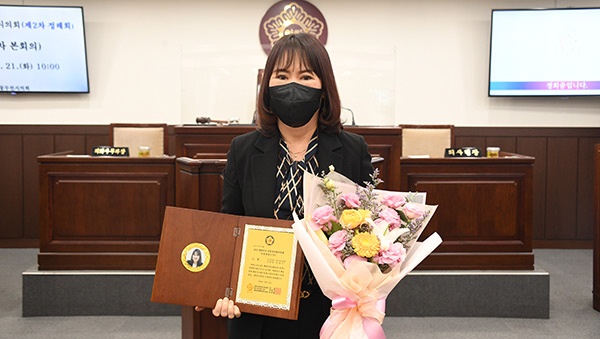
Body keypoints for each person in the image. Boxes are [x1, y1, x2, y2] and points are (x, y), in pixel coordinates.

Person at [199, 32, 374, 339]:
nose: (293, 86)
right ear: (267, 87)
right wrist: (222, 288)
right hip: (257, 311)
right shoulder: (243, 149)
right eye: (282, 75)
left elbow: (366, 237)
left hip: (330, 313)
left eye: (306, 76)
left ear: (324, 89)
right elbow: (230, 228)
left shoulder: (352, 150)